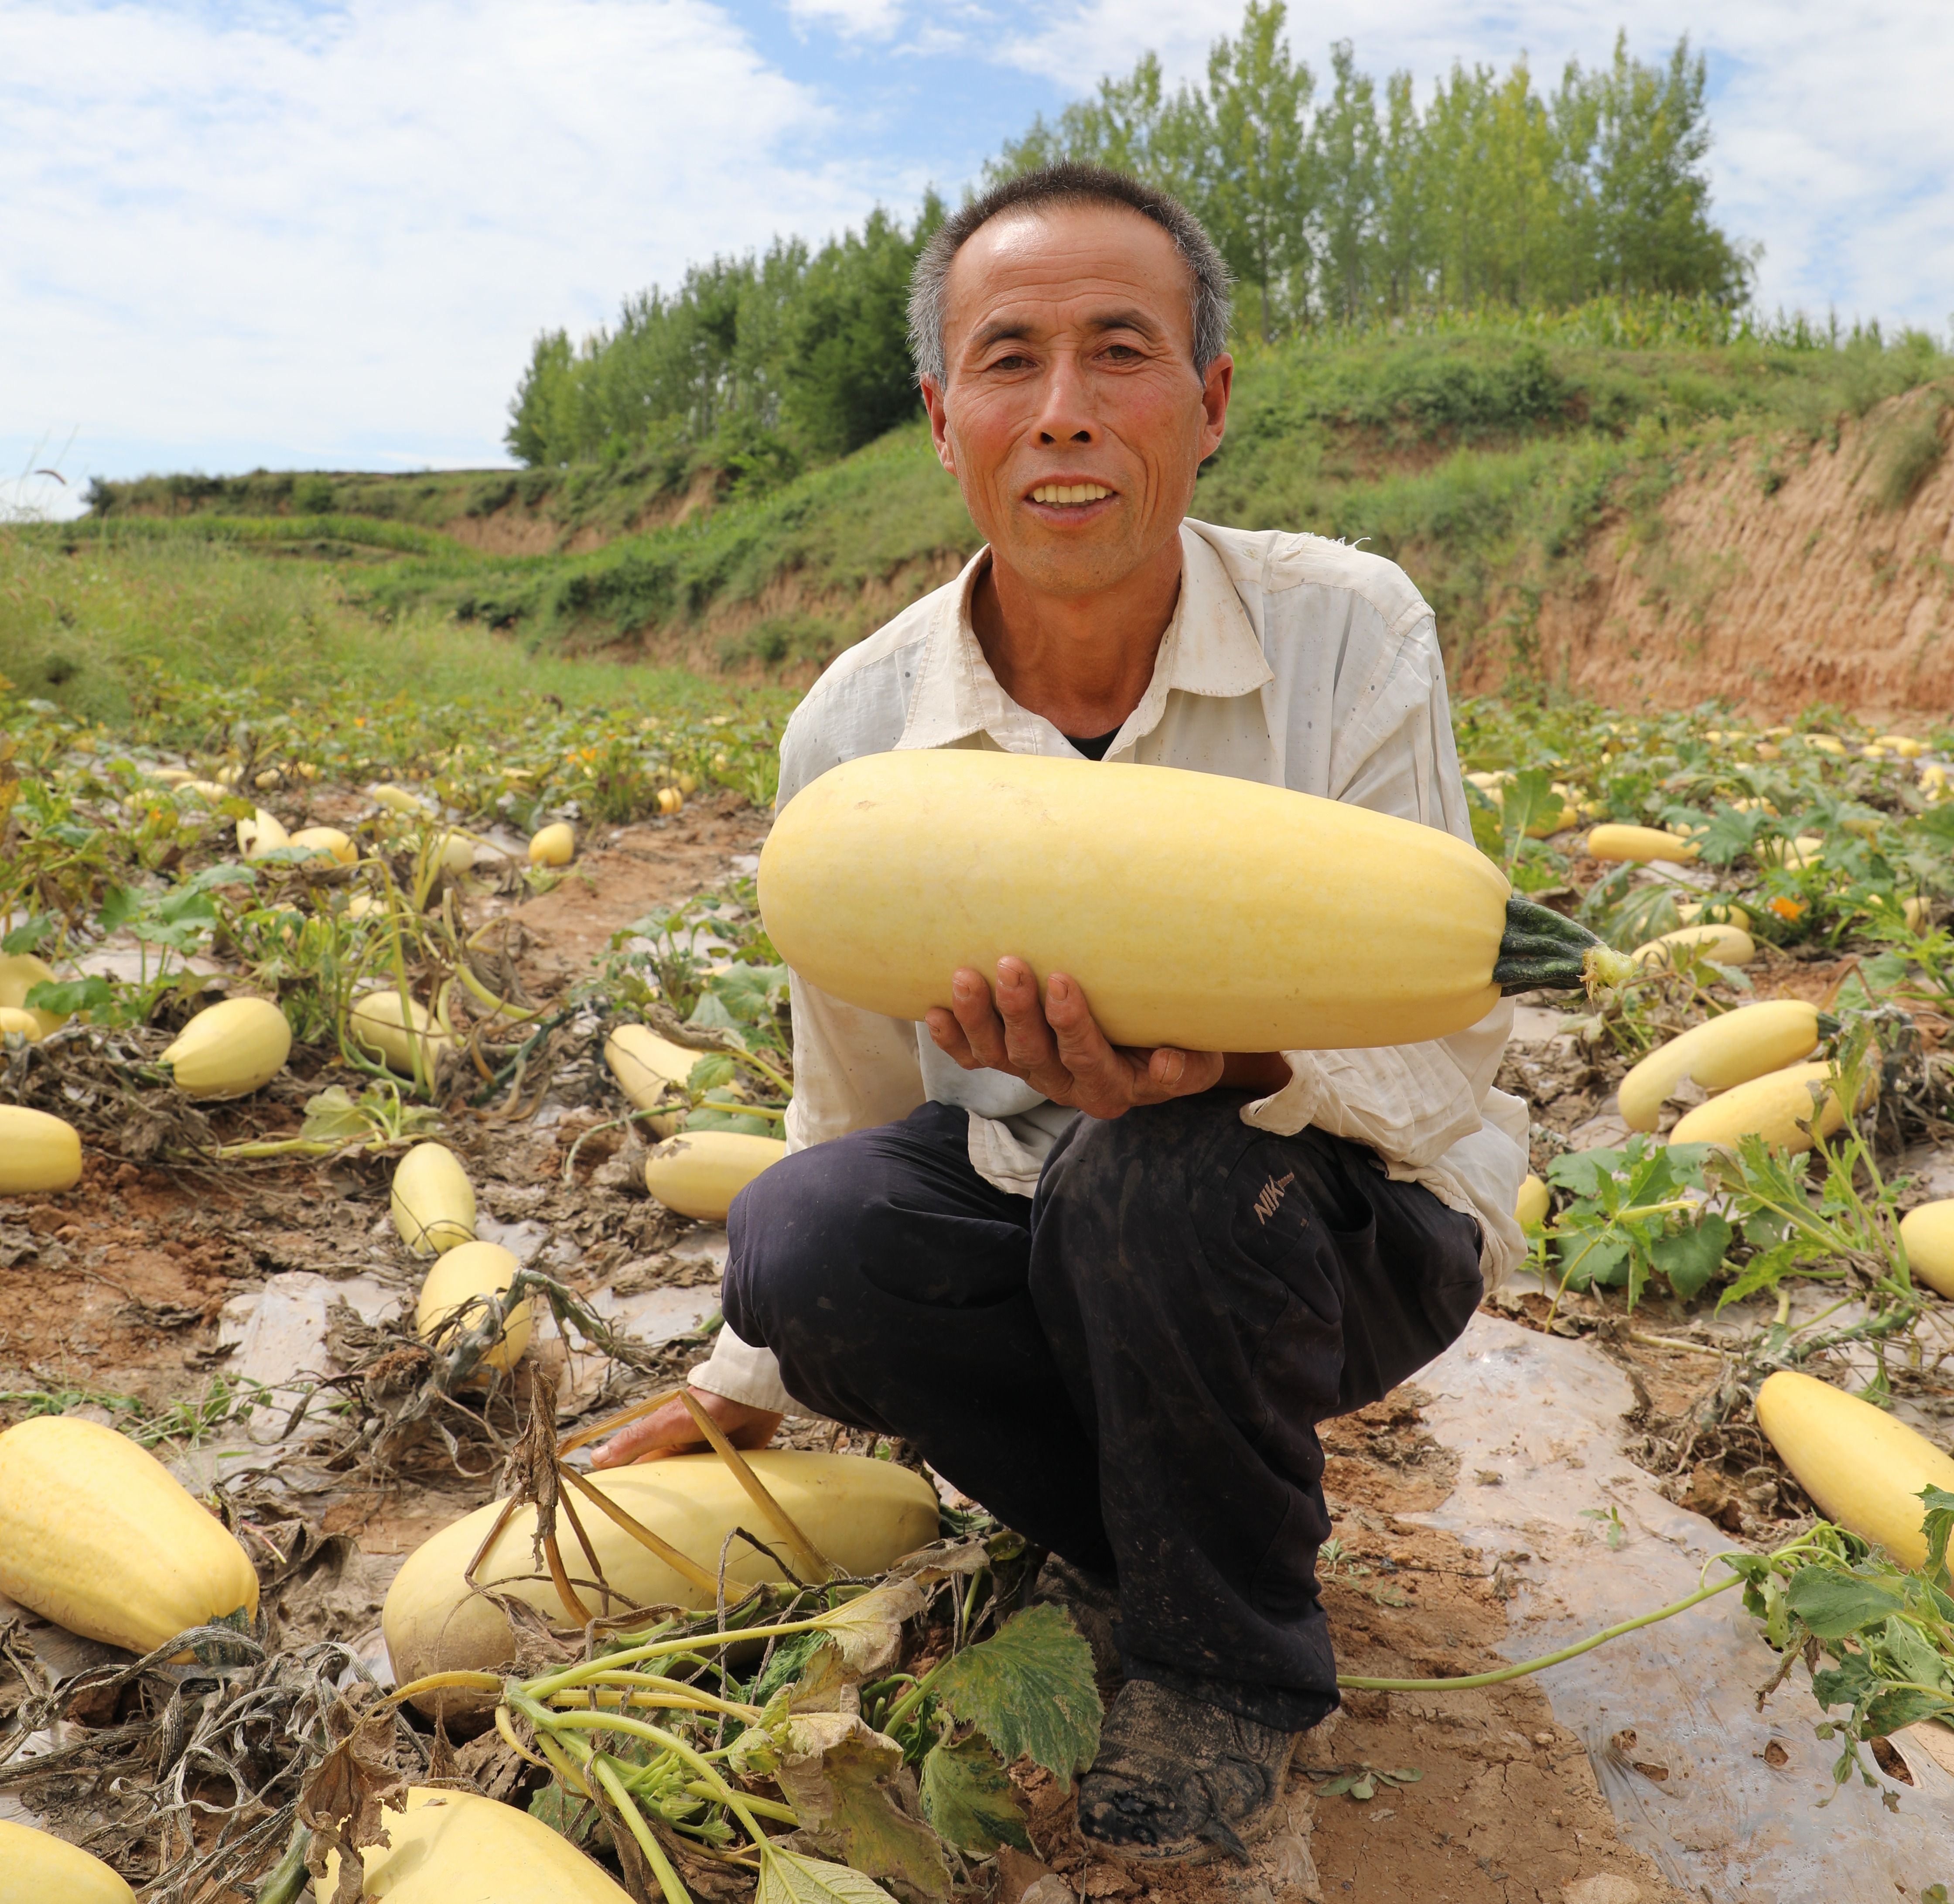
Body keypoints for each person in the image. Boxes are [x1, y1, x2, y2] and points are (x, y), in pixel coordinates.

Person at [593, 161, 1528, 1865]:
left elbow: (1448, 1052)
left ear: (1209, 399)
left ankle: (1227, 1671)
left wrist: (1236, 1061)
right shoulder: (853, 734)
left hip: (1340, 1229)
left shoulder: (1350, 631)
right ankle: (1136, 1526)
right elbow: (850, 1112)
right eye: (1011, 362)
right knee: (805, 1239)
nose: (1066, 413)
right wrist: (748, 1372)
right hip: (1037, 1231)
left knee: (1159, 1169)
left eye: (1120, 351)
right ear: (945, 419)